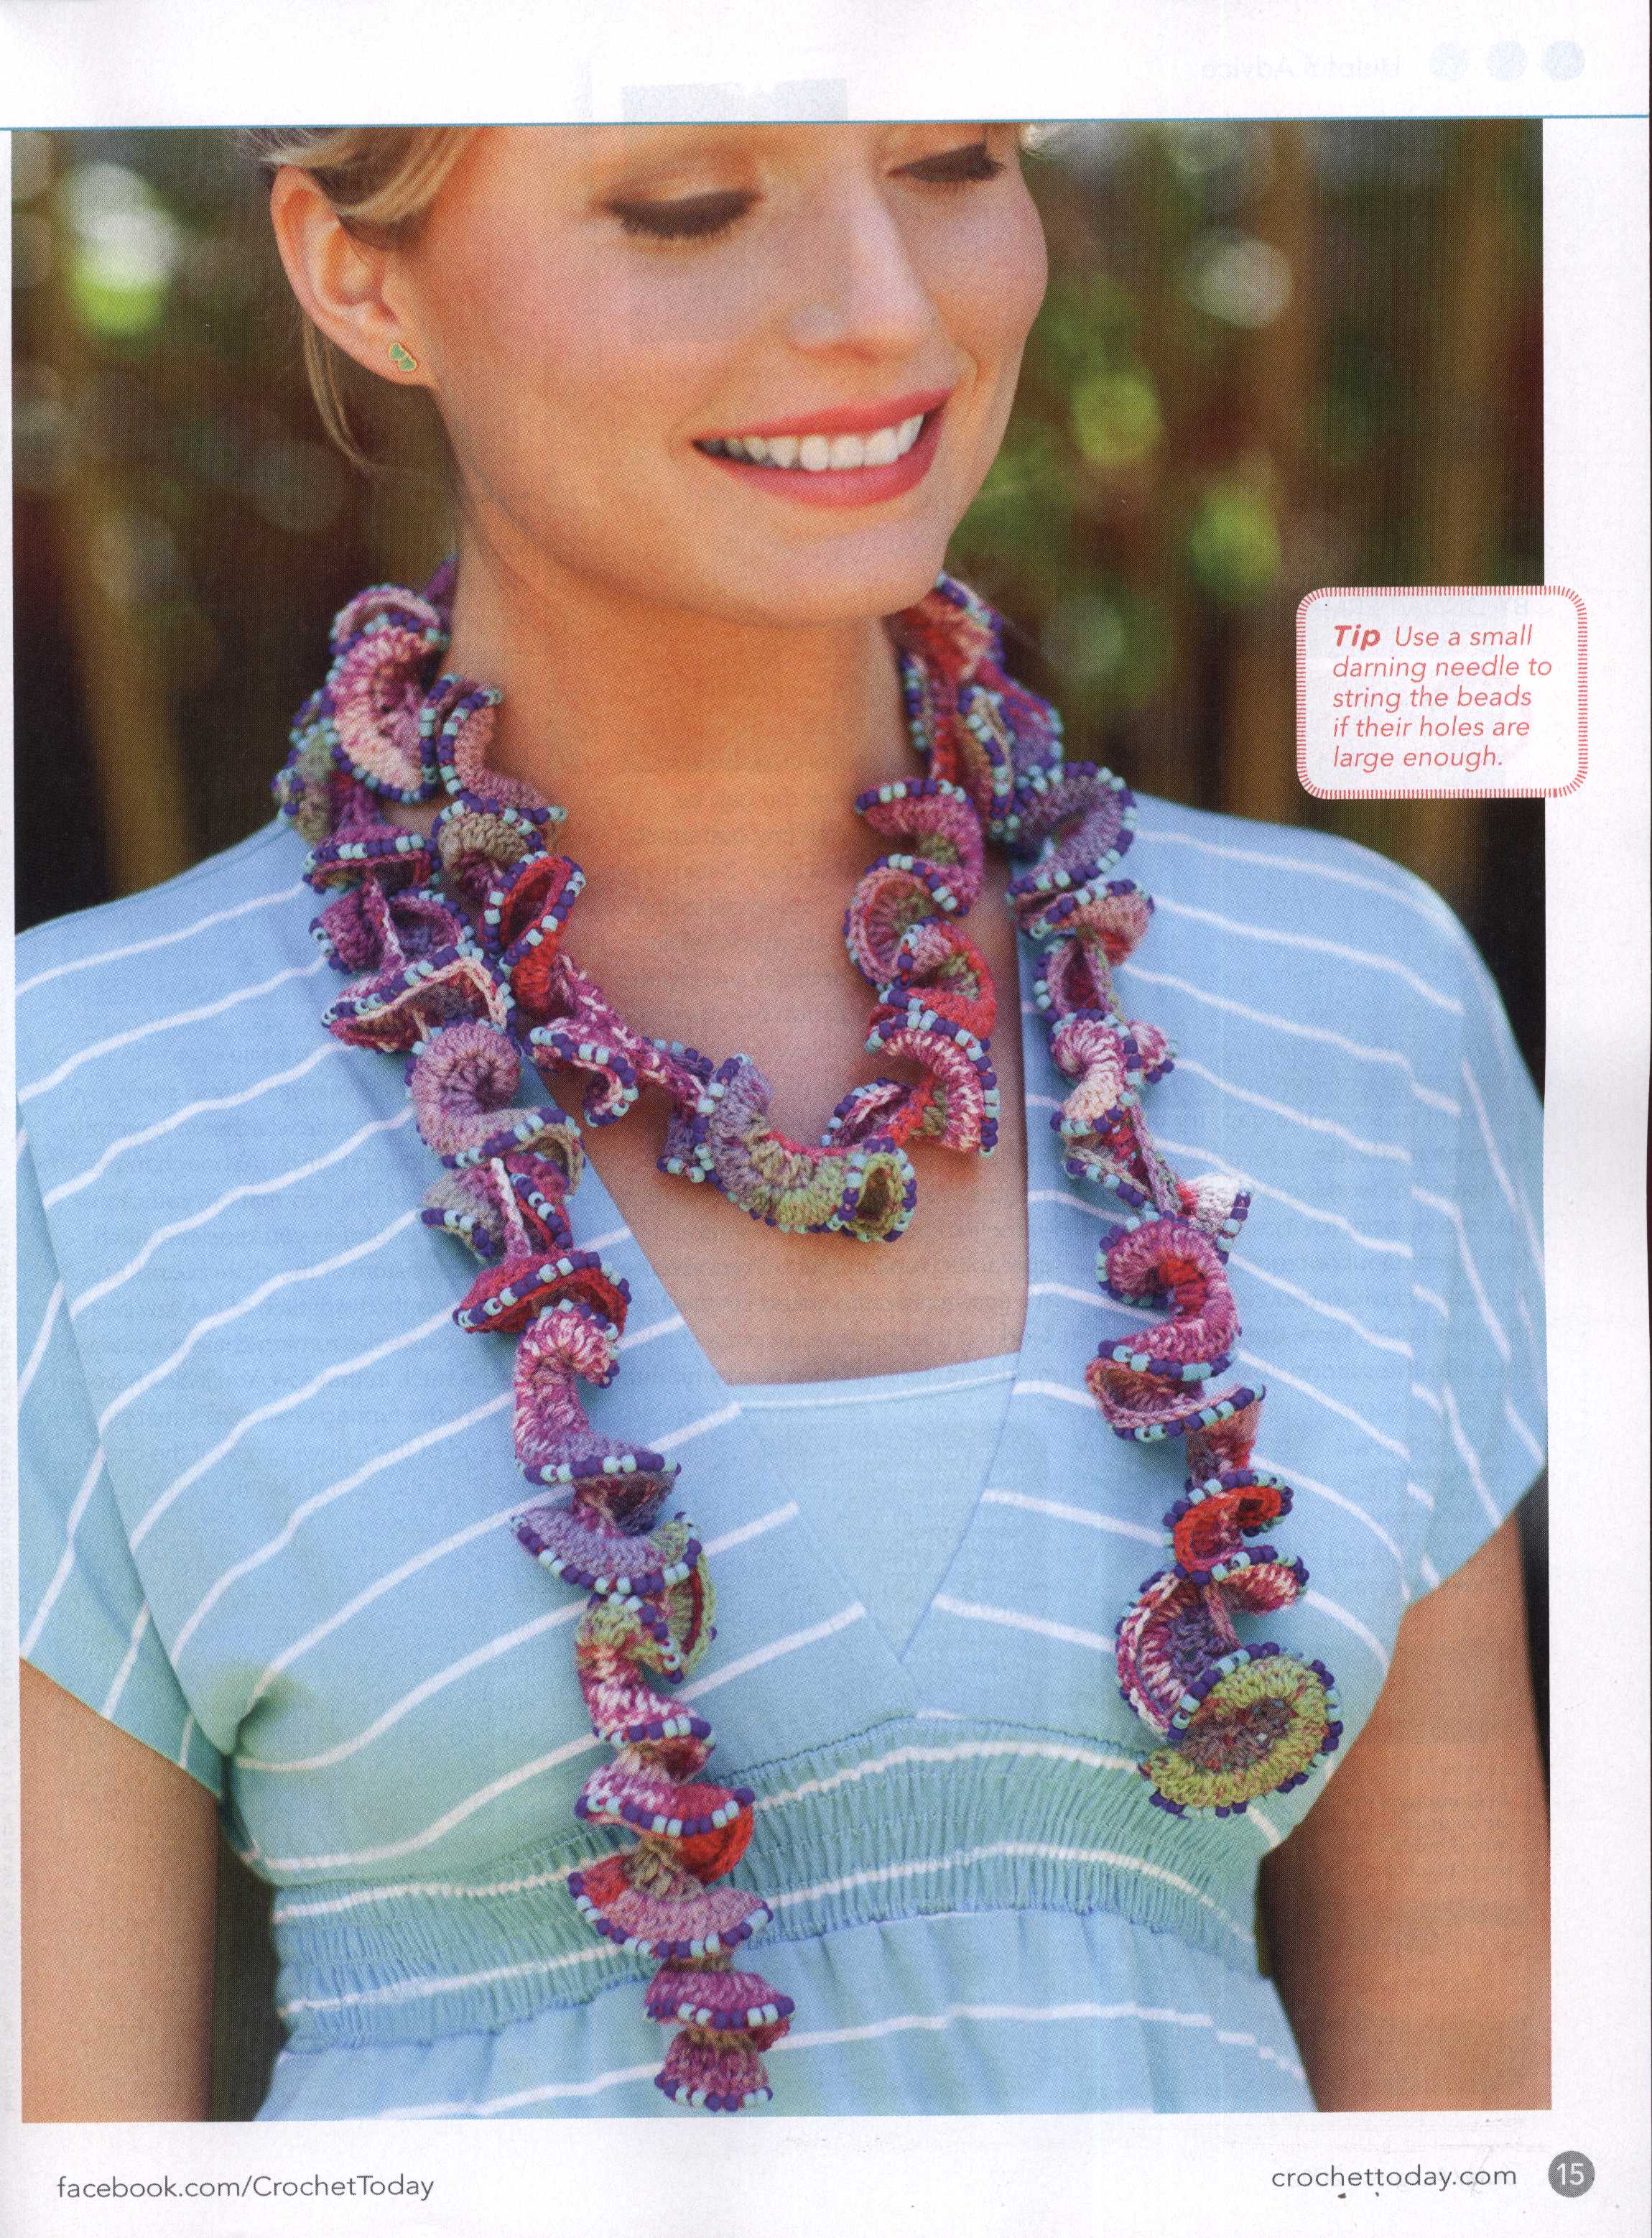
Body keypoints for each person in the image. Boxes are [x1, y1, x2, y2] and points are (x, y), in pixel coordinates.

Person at [17, 122, 1549, 2122]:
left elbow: (1470, 2077)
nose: (884, 311)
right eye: (692, 205)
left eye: (953, 161)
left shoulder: (1350, 1002)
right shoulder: (88, 1096)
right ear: (356, 270)